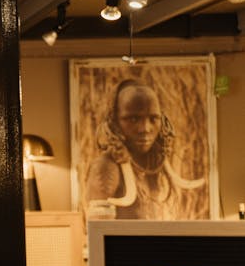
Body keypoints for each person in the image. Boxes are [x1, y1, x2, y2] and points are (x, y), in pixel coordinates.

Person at [85, 78, 205, 220]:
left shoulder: (148, 165)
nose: (145, 129)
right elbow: (98, 234)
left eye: (153, 119)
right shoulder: (106, 167)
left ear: (162, 121)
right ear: (115, 122)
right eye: (133, 119)